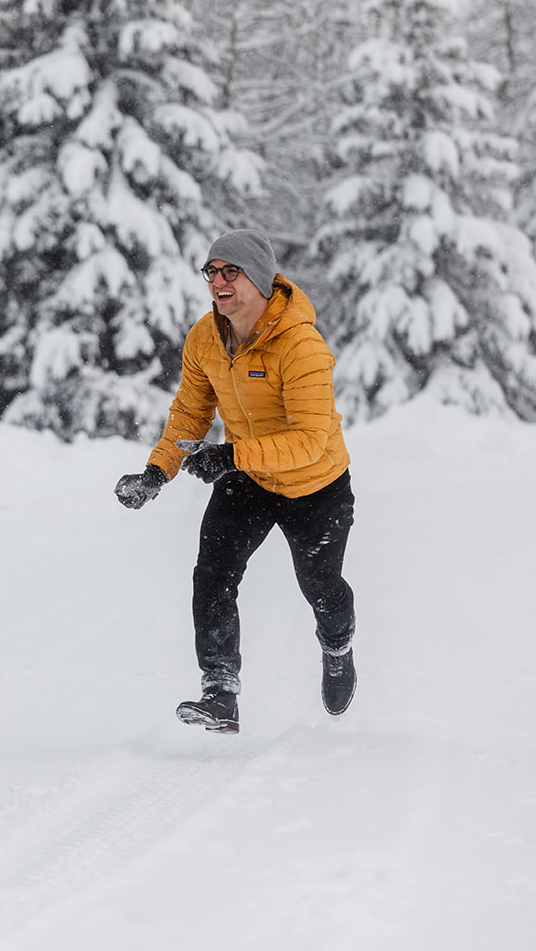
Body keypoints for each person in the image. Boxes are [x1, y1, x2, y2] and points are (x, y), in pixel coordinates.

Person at [114, 228, 356, 734]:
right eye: (212, 272)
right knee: (213, 575)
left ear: (261, 280)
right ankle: (220, 692)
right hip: (247, 477)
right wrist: (157, 471)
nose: (219, 283)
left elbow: (311, 438)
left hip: (314, 485)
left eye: (232, 272)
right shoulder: (206, 337)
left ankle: (337, 649)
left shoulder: (301, 345)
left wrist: (231, 455)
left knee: (320, 587)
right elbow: (190, 412)